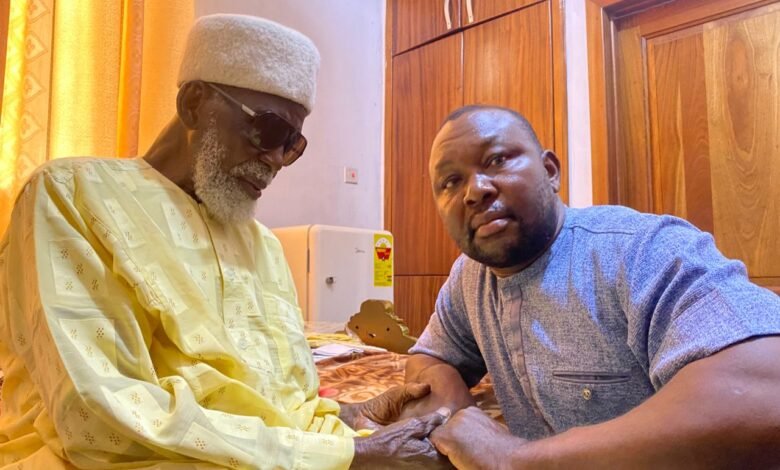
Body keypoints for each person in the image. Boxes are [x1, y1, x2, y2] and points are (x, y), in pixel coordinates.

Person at [0, 14, 450, 469]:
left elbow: (281, 401)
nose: (275, 160)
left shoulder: (263, 246)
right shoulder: (71, 195)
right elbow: (99, 416)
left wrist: (350, 417)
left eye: (292, 144)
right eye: (270, 130)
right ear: (194, 104)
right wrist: (352, 456)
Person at [401, 104, 780, 468]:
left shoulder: (642, 248)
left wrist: (514, 460)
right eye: (451, 181)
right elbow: (431, 359)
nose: (475, 190)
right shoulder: (471, 276)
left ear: (550, 172)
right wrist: (463, 424)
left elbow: (766, 393)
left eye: (497, 160)